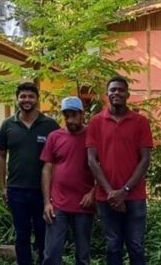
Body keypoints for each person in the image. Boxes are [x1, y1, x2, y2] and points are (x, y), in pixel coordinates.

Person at [87, 76, 153, 265]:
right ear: (107, 94)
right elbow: (92, 160)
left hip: (135, 196)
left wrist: (124, 192)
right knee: (113, 245)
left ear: (128, 95)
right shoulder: (96, 122)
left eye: (121, 90)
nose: (116, 93)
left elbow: (145, 159)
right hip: (106, 197)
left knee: (136, 245)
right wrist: (111, 193)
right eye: (113, 90)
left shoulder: (140, 122)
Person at [0, 83, 59, 265]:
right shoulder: (8, 124)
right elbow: (1, 156)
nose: (26, 100)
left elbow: (58, 157)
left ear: (37, 99)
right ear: (17, 99)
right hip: (16, 190)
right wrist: (3, 186)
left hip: (43, 192)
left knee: (43, 235)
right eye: (23, 96)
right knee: (21, 236)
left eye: (31, 96)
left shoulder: (50, 125)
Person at [41, 97, 95, 265]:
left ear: (82, 114)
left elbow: (103, 167)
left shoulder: (93, 136)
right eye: (67, 115)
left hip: (83, 205)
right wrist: (46, 203)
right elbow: (47, 169)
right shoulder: (54, 137)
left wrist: (93, 193)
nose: (70, 120)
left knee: (83, 255)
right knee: (51, 253)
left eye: (74, 115)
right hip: (58, 205)